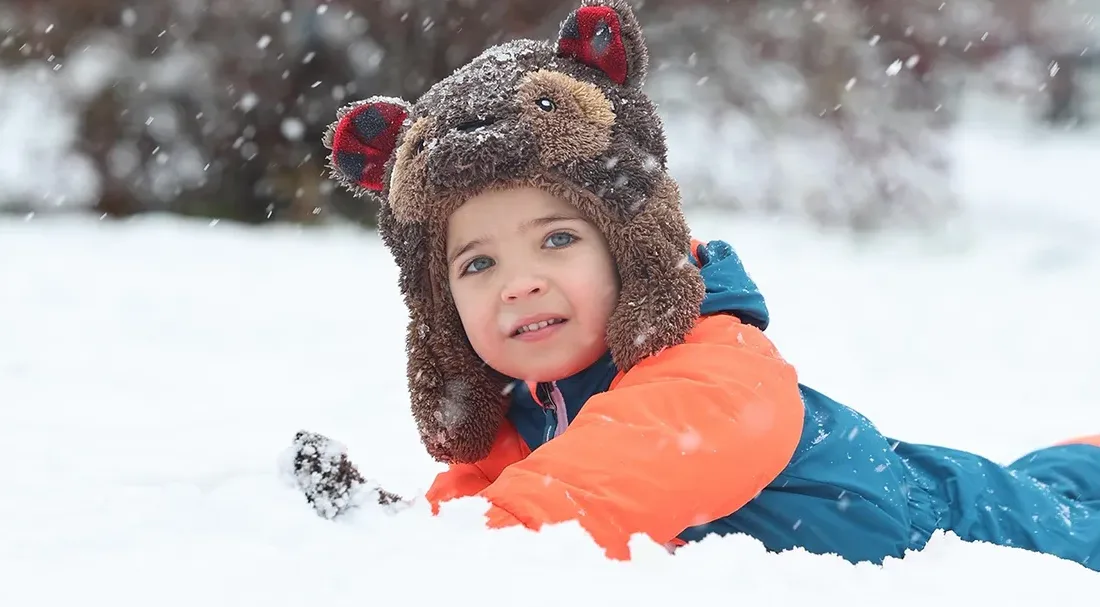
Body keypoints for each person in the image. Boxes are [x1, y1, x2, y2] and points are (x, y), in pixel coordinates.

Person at [314, 0, 1100, 569]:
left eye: (557, 240)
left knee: (1069, 524)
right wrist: (399, 537)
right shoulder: (522, 421)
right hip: (943, 491)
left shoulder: (712, 369)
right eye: (477, 263)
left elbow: (602, 483)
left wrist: (467, 548)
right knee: (1058, 478)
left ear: (631, 248)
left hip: (964, 530)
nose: (519, 283)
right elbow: (475, 507)